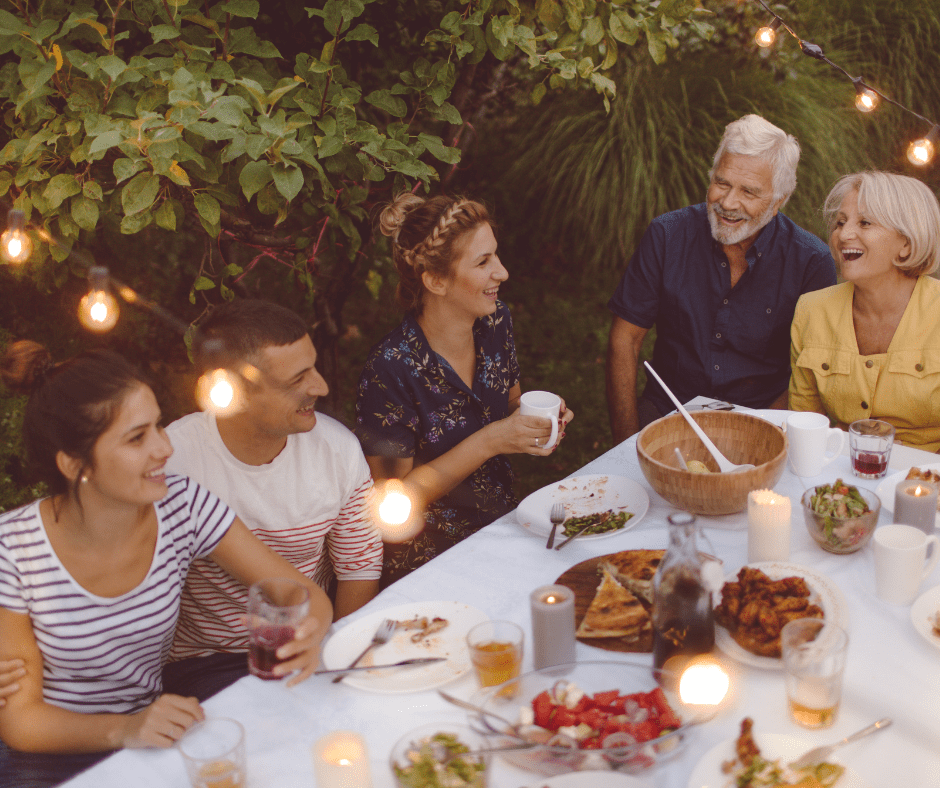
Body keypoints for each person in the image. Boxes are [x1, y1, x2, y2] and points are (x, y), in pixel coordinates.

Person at [0, 342, 330, 768]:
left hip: (152, 733)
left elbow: (297, 591)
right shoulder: (13, 549)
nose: (164, 448)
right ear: (74, 463)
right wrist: (125, 728)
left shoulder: (181, 504)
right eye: (137, 438)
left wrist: (309, 633)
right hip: (51, 754)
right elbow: (22, 723)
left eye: (157, 426)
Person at [162, 300, 383, 697]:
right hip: (205, 662)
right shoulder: (171, 460)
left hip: (307, 644)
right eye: (297, 379)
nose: (321, 387)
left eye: (314, 367)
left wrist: (337, 660)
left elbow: (359, 567)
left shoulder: (337, 450)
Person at [356, 193, 574, 586]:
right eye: (483, 262)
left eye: (496, 256)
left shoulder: (494, 323)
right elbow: (394, 500)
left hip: (504, 520)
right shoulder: (389, 370)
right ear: (436, 280)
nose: (503, 273)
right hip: (429, 556)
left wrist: (537, 423)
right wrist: (491, 440)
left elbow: (510, 403)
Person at [606, 114, 837, 443]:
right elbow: (624, 340)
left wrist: (760, 434)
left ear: (778, 202)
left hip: (761, 417)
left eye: (749, 192)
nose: (728, 203)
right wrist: (626, 444)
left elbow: (811, 376)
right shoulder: (667, 235)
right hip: (667, 410)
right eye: (722, 183)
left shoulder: (811, 262)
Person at [789, 171, 940, 450]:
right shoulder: (811, 309)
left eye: (865, 222)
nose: (844, 235)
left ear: (905, 243)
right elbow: (805, 422)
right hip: (838, 476)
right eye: (840, 222)